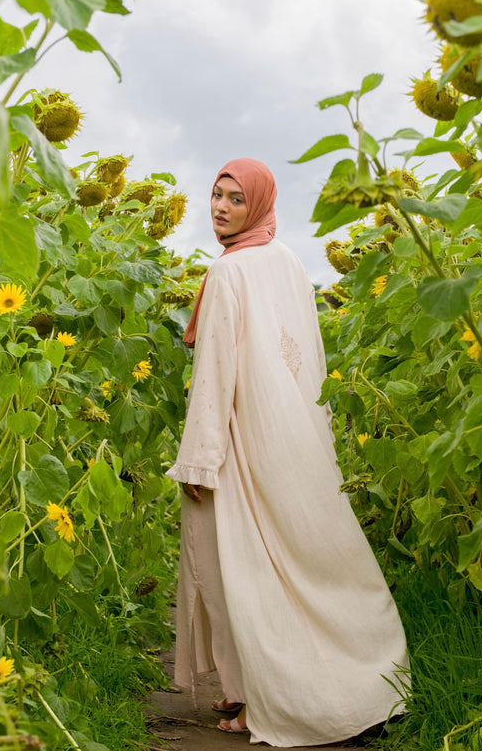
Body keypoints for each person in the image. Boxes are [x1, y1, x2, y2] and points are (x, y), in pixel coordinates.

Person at [167, 158, 409, 747]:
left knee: (237, 566)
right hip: (292, 434)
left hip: (240, 440)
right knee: (304, 558)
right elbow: (310, 359)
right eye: (216, 195)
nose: (221, 208)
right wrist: (314, 434)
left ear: (260, 206)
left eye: (235, 200)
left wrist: (199, 457)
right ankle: (346, 676)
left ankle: (263, 696)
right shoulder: (291, 261)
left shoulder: (226, 273)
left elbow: (216, 369)